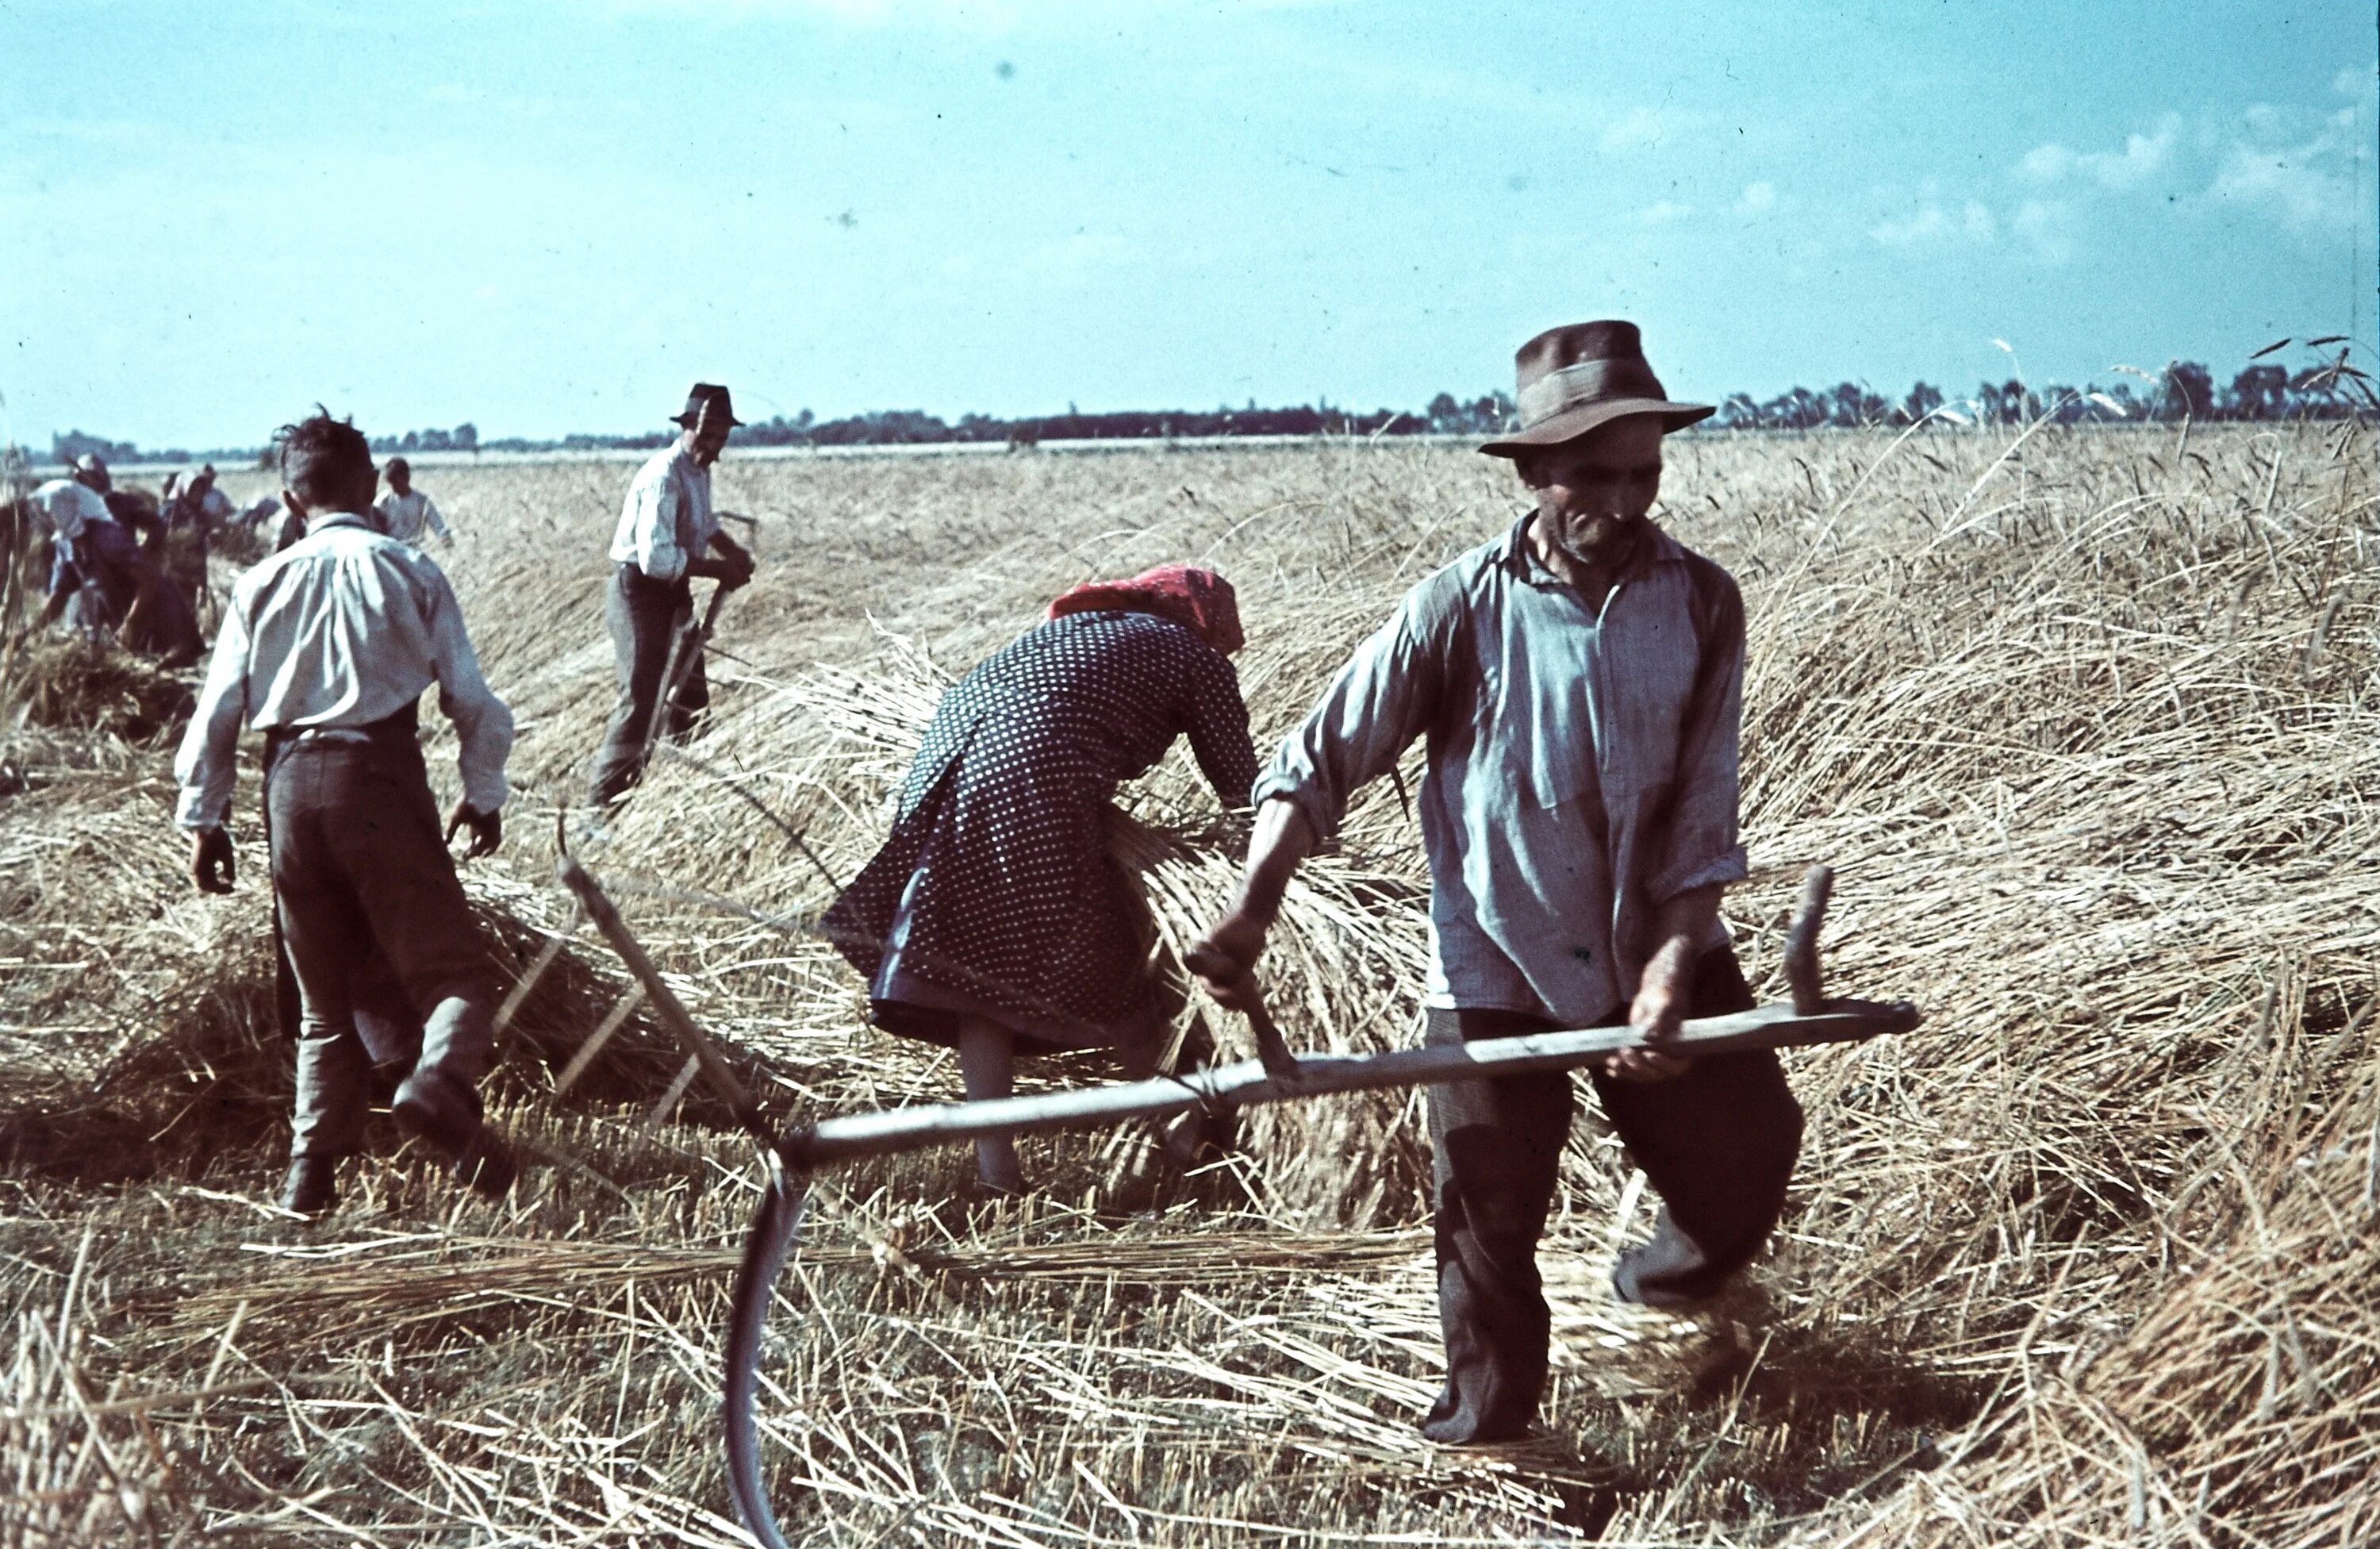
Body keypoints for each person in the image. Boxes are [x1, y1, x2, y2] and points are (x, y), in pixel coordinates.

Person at [1192, 321, 1802, 1444]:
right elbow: (1320, 759)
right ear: (1532, 474)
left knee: (1752, 1153)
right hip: (1495, 959)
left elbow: (1700, 818)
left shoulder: (1703, 602)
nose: (1623, 503)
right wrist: (1251, 909)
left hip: (1652, 948)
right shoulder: (1461, 606)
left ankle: (1665, 1289)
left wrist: (1668, 974)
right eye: (1592, 477)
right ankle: (1492, 1440)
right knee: (1485, 1218)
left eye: (1643, 475)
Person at [173, 409, 519, 1217]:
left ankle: (308, 1180)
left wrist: (206, 820)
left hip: (290, 786)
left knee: (324, 1001)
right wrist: (485, 791)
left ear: (291, 501)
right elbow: (474, 703)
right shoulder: (412, 570)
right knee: (454, 975)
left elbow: (216, 712)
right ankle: (436, 1087)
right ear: (370, 487)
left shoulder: (261, 582)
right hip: (381, 775)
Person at [821, 564, 1257, 1192]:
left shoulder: (1078, 629)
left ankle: (1000, 1173)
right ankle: (1184, 1146)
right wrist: (1288, 850)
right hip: (1032, 786)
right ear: (1206, 620)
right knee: (1121, 970)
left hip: (941, 782)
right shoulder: (1192, 654)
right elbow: (1238, 785)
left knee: (980, 978)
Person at [585, 382, 756, 807]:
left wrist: (731, 551)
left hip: (673, 593)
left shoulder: (698, 472)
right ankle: (602, 806)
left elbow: (704, 524)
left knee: (692, 695)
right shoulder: (662, 476)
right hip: (640, 593)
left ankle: (686, 799)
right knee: (642, 696)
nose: (714, 446)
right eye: (707, 435)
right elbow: (656, 559)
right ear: (686, 428)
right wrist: (718, 569)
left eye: (722, 438)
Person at [25, 455, 196, 663]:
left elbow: (150, 575)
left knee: (163, 676)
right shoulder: (67, 545)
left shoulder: (107, 533)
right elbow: (58, 598)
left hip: (153, 614)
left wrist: (145, 552)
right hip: (112, 607)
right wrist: (26, 634)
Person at [374, 457, 452, 548]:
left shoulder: (422, 501)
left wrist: (446, 540)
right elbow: (372, 527)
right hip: (390, 551)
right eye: (392, 483)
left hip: (415, 551)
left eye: (397, 482)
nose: (394, 486)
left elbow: (438, 525)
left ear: (407, 478)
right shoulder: (383, 501)